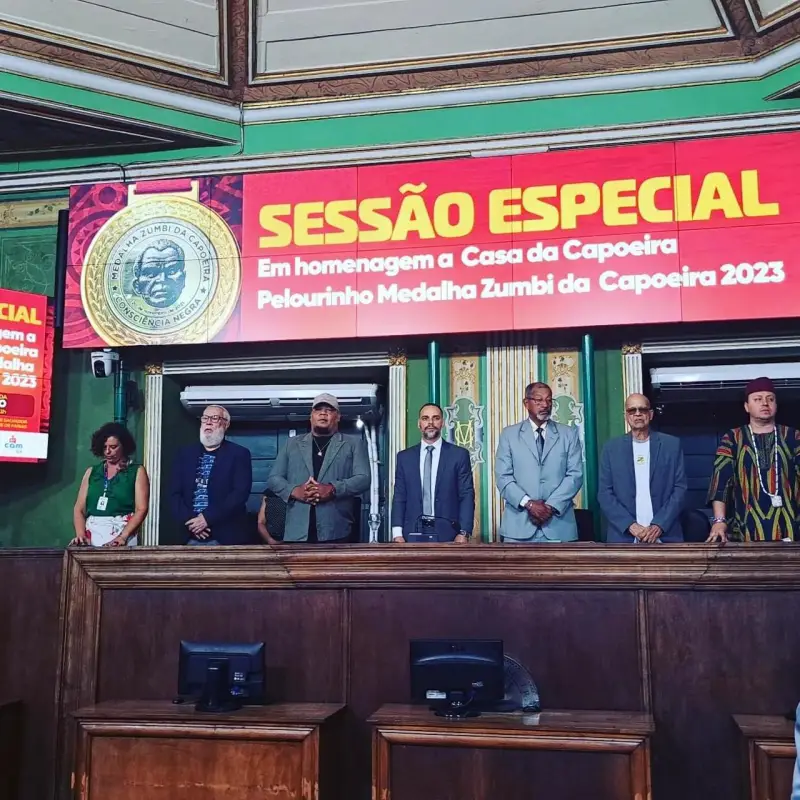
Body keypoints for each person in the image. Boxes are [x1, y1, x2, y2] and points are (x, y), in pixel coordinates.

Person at [266, 393, 370, 543]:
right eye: (318, 409)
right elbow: (273, 479)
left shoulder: (353, 444)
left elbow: (364, 479)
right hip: (296, 531)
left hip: (336, 531)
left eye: (329, 410)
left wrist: (332, 489)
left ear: (338, 417)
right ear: (311, 416)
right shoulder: (292, 444)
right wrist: (295, 491)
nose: (323, 413)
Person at [707, 377, 800, 542]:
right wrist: (719, 521)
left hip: (791, 528)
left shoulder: (793, 436)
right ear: (746, 406)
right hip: (745, 530)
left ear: (776, 405)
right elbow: (720, 482)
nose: (765, 403)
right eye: (757, 399)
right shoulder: (733, 438)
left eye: (770, 399)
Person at [495, 381, 583, 542]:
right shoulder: (509, 435)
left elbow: (575, 475)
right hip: (518, 528)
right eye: (539, 400)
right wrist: (529, 504)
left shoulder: (568, 434)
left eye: (549, 400)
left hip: (559, 527)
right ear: (526, 403)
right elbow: (503, 477)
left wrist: (549, 507)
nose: (545, 405)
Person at [598, 393, 687, 543]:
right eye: (632, 410)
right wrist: (630, 526)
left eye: (642, 409)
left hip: (666, 536)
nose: (637, 414)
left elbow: (680, 489)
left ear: (650, 414)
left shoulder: (671, 445)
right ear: (626, 416)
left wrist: (659, 525)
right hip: (624, 537)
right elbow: (605, 494)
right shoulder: (611, 449)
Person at [391, 403, 475, 543]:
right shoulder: (404, 457)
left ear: (442, 423)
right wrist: (397, 533)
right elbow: (399, 496)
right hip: (411, 533)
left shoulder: (459, 455)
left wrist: (464, 532)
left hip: (449, 533)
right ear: (419, 424)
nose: (430, 423)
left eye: (436, 418)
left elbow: (466, 495)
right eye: (425, 418)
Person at [169, 405, 253, 545]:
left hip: (225, 536)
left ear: (226, 424)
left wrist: (206, 518)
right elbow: (174, 494)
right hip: (189, 534)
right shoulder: (184, 454)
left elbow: (239, 494)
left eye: (214, 418)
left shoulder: (239, 454)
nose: (208, 422)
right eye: (205, 418)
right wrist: (193, 523)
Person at [71, 422, 149, 547]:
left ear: (124, 446)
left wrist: (123, 537)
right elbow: (79, 509)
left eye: (113, 447)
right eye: (104, 447)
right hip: (91, 536)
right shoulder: (92, 472)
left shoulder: (137, 471)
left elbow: (142, 509)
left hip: (122, 535)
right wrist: (81, 535)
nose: (108, 451)